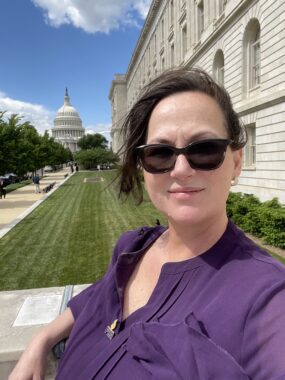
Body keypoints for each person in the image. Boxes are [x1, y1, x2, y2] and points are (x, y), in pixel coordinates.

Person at [9, 68, 285, 380]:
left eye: (204, 149)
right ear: (143, 167)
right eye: (160, 153)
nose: (180, 169)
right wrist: (40, 339)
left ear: (236, 162)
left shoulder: (266, 295)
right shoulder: (132, 249)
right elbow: (95, 297)